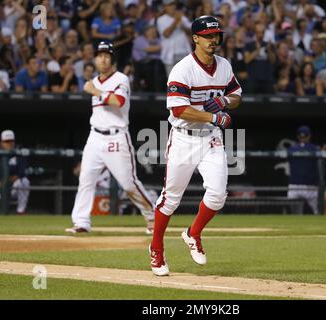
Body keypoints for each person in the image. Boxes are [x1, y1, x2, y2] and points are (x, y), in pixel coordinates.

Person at [149, 16, 242, 276]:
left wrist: (224, 101)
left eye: (217, 35)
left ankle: (193, 233)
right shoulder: (182, 69)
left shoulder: (224, 65)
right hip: (183, 138)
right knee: (170, 200)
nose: (214, 40)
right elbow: (178, 109)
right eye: (208, 35)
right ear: (195, 38)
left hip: (211, 138)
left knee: (218, 194)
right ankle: (156, 247)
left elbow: (237, 95)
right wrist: (213, 116)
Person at [65, 41, 155, 234]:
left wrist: (95, 91)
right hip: (95, 136)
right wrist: (94, 88)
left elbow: (119, 101)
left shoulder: (121, 79)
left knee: (128, 183)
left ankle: (151, 214)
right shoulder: (94, 82)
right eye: (99, 55)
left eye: (106, 55)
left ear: (113, 59)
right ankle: (81, 222)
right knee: (86, 179)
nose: (102, 58)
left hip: (116, 137)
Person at [287, 126, 319, 215]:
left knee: (296, 213)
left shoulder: (292, 149)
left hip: (296, 185)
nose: (303, 137)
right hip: (309, 185)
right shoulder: (315, 149)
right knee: (318, 212)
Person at [156, 0, 192, 76]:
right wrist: (176, 21)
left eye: (173, 4)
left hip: (184, 52)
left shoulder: (182, 17)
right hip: (170, 55)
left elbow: (192, 32)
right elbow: (166, 34)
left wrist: (182, 26)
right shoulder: (161, 19)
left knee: (186, 79)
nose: (173, 7)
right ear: (165, 7)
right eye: (170, 5)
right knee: (172, 81)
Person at [0, 130, 30, 215]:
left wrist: (6, 182)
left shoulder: (18, 154)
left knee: (24, 181)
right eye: (6, 141)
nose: (9, 143)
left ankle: (20, 211)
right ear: (1, 142)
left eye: (11, 141)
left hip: (13, 187)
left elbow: (21, 173)